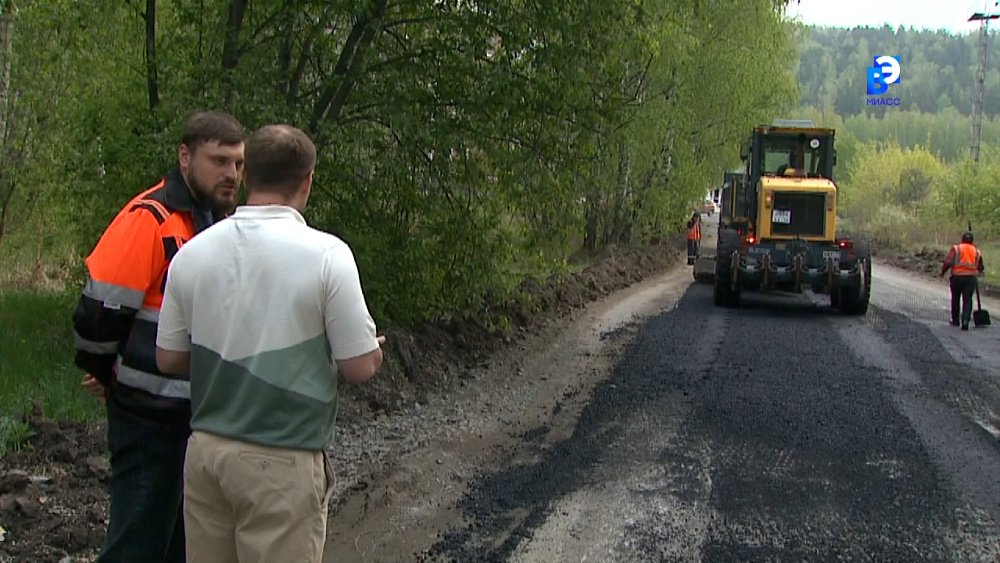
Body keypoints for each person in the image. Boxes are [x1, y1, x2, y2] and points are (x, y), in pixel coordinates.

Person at [155, 124, 385, 563]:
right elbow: (358, 367)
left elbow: (168, 357)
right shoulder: (328, 255)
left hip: (206, 455)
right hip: (283, 459)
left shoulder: (192, 254)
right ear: (308, 180)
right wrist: (372, 350)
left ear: (246, 175)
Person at [71, 110, 245, 563]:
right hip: (148, 420)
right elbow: (99, 313)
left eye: (239, 164)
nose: (231, 174)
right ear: (184, 157)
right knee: (136, 544)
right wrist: (107, 373)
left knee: (178, 548)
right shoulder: (151, 218)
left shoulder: (218, 225)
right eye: (220, 160)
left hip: (195, 420)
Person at [940, 230, 985, 331]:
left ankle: (955, 320)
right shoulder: (976, 251)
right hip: (971, 279)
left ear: (962, 239)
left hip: (957, 278)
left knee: (955, 298)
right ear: (972, 241)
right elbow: (980, 266)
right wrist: (980, 271)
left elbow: (948, 262)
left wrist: (943, 272)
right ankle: (965, 321)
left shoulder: (956, 249)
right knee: (967, 300)